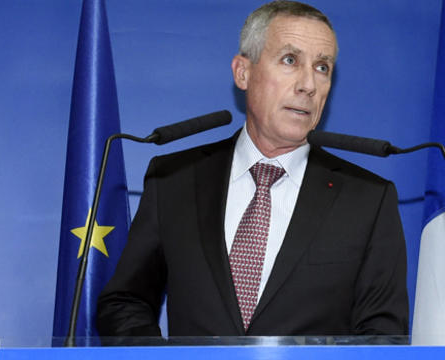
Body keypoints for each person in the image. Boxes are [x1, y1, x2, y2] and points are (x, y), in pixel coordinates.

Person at [96, 0, 408, 337]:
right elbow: (124, 301)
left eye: (322, 67)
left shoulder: (368, 200)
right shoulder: (173, 180)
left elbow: (382, 334)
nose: (308, 85)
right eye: (290, 60)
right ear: (243, 72)